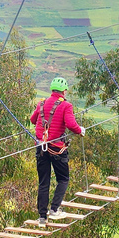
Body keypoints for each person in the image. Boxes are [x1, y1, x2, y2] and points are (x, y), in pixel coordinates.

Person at [30, 77, 85, 227]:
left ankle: (42, 217)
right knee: (63, 178)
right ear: (64, 91)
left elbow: (32, 119)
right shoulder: (66, 105)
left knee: (44, 182)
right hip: (56, 148)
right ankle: (54, 209)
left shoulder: (41, 103)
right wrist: (81, 131)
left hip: (41, 148)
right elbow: (71, 125)